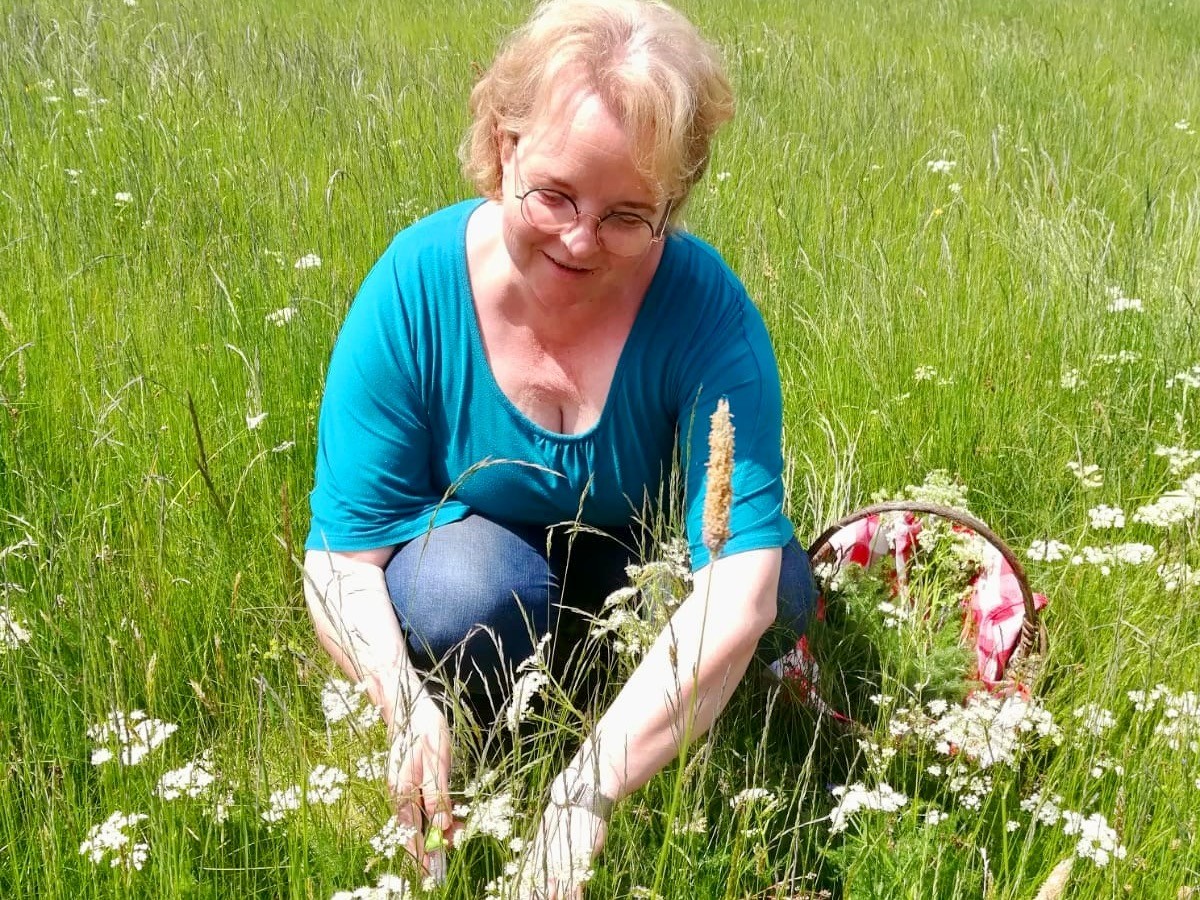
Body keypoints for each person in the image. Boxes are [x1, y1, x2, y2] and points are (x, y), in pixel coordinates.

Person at [301, 0, 816, 894]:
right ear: (502, 149)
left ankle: (625, 719)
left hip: (643, 573)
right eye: (554, 195)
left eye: (627, 215)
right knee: (468, 595)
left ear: (673, 204)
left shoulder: (708, 316)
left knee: (784, 592)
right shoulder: (414, 289)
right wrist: (401, 707)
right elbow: (343, 559)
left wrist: (587, 793)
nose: (581, 241)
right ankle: (492, 712)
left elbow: (735, 589)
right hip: (484, 578)